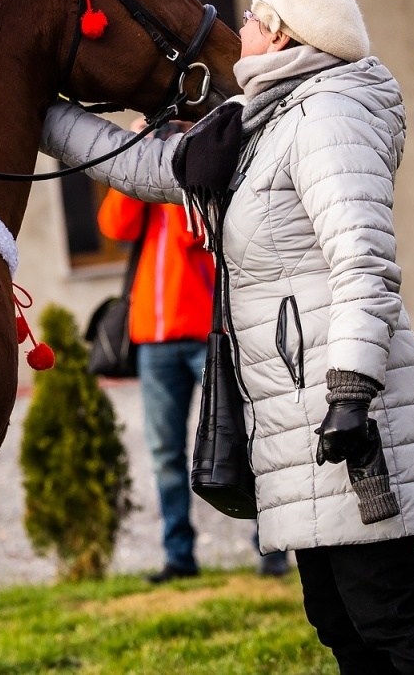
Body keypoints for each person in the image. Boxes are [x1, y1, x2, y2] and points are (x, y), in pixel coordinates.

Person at [46, 0, 414, 672]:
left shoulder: (328, 114)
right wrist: (40, 112)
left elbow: (363, 264)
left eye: (250, 15)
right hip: (297, 414)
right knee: (340, 618)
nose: (235, 25)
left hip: (342, 412)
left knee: (391, 611)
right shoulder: (259, 122)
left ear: (280, 36)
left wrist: (350, 392)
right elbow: (147, 168)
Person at [98, 171, 291, 582]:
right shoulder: (143, 178)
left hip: (210, 332)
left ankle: (271, 545)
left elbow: (197, 233)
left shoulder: (201, 168)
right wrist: (137, 164)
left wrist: (178, 170)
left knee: (239, 439)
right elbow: (115, 226)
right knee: (165, 453)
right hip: (154, 339)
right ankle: (179, 555)